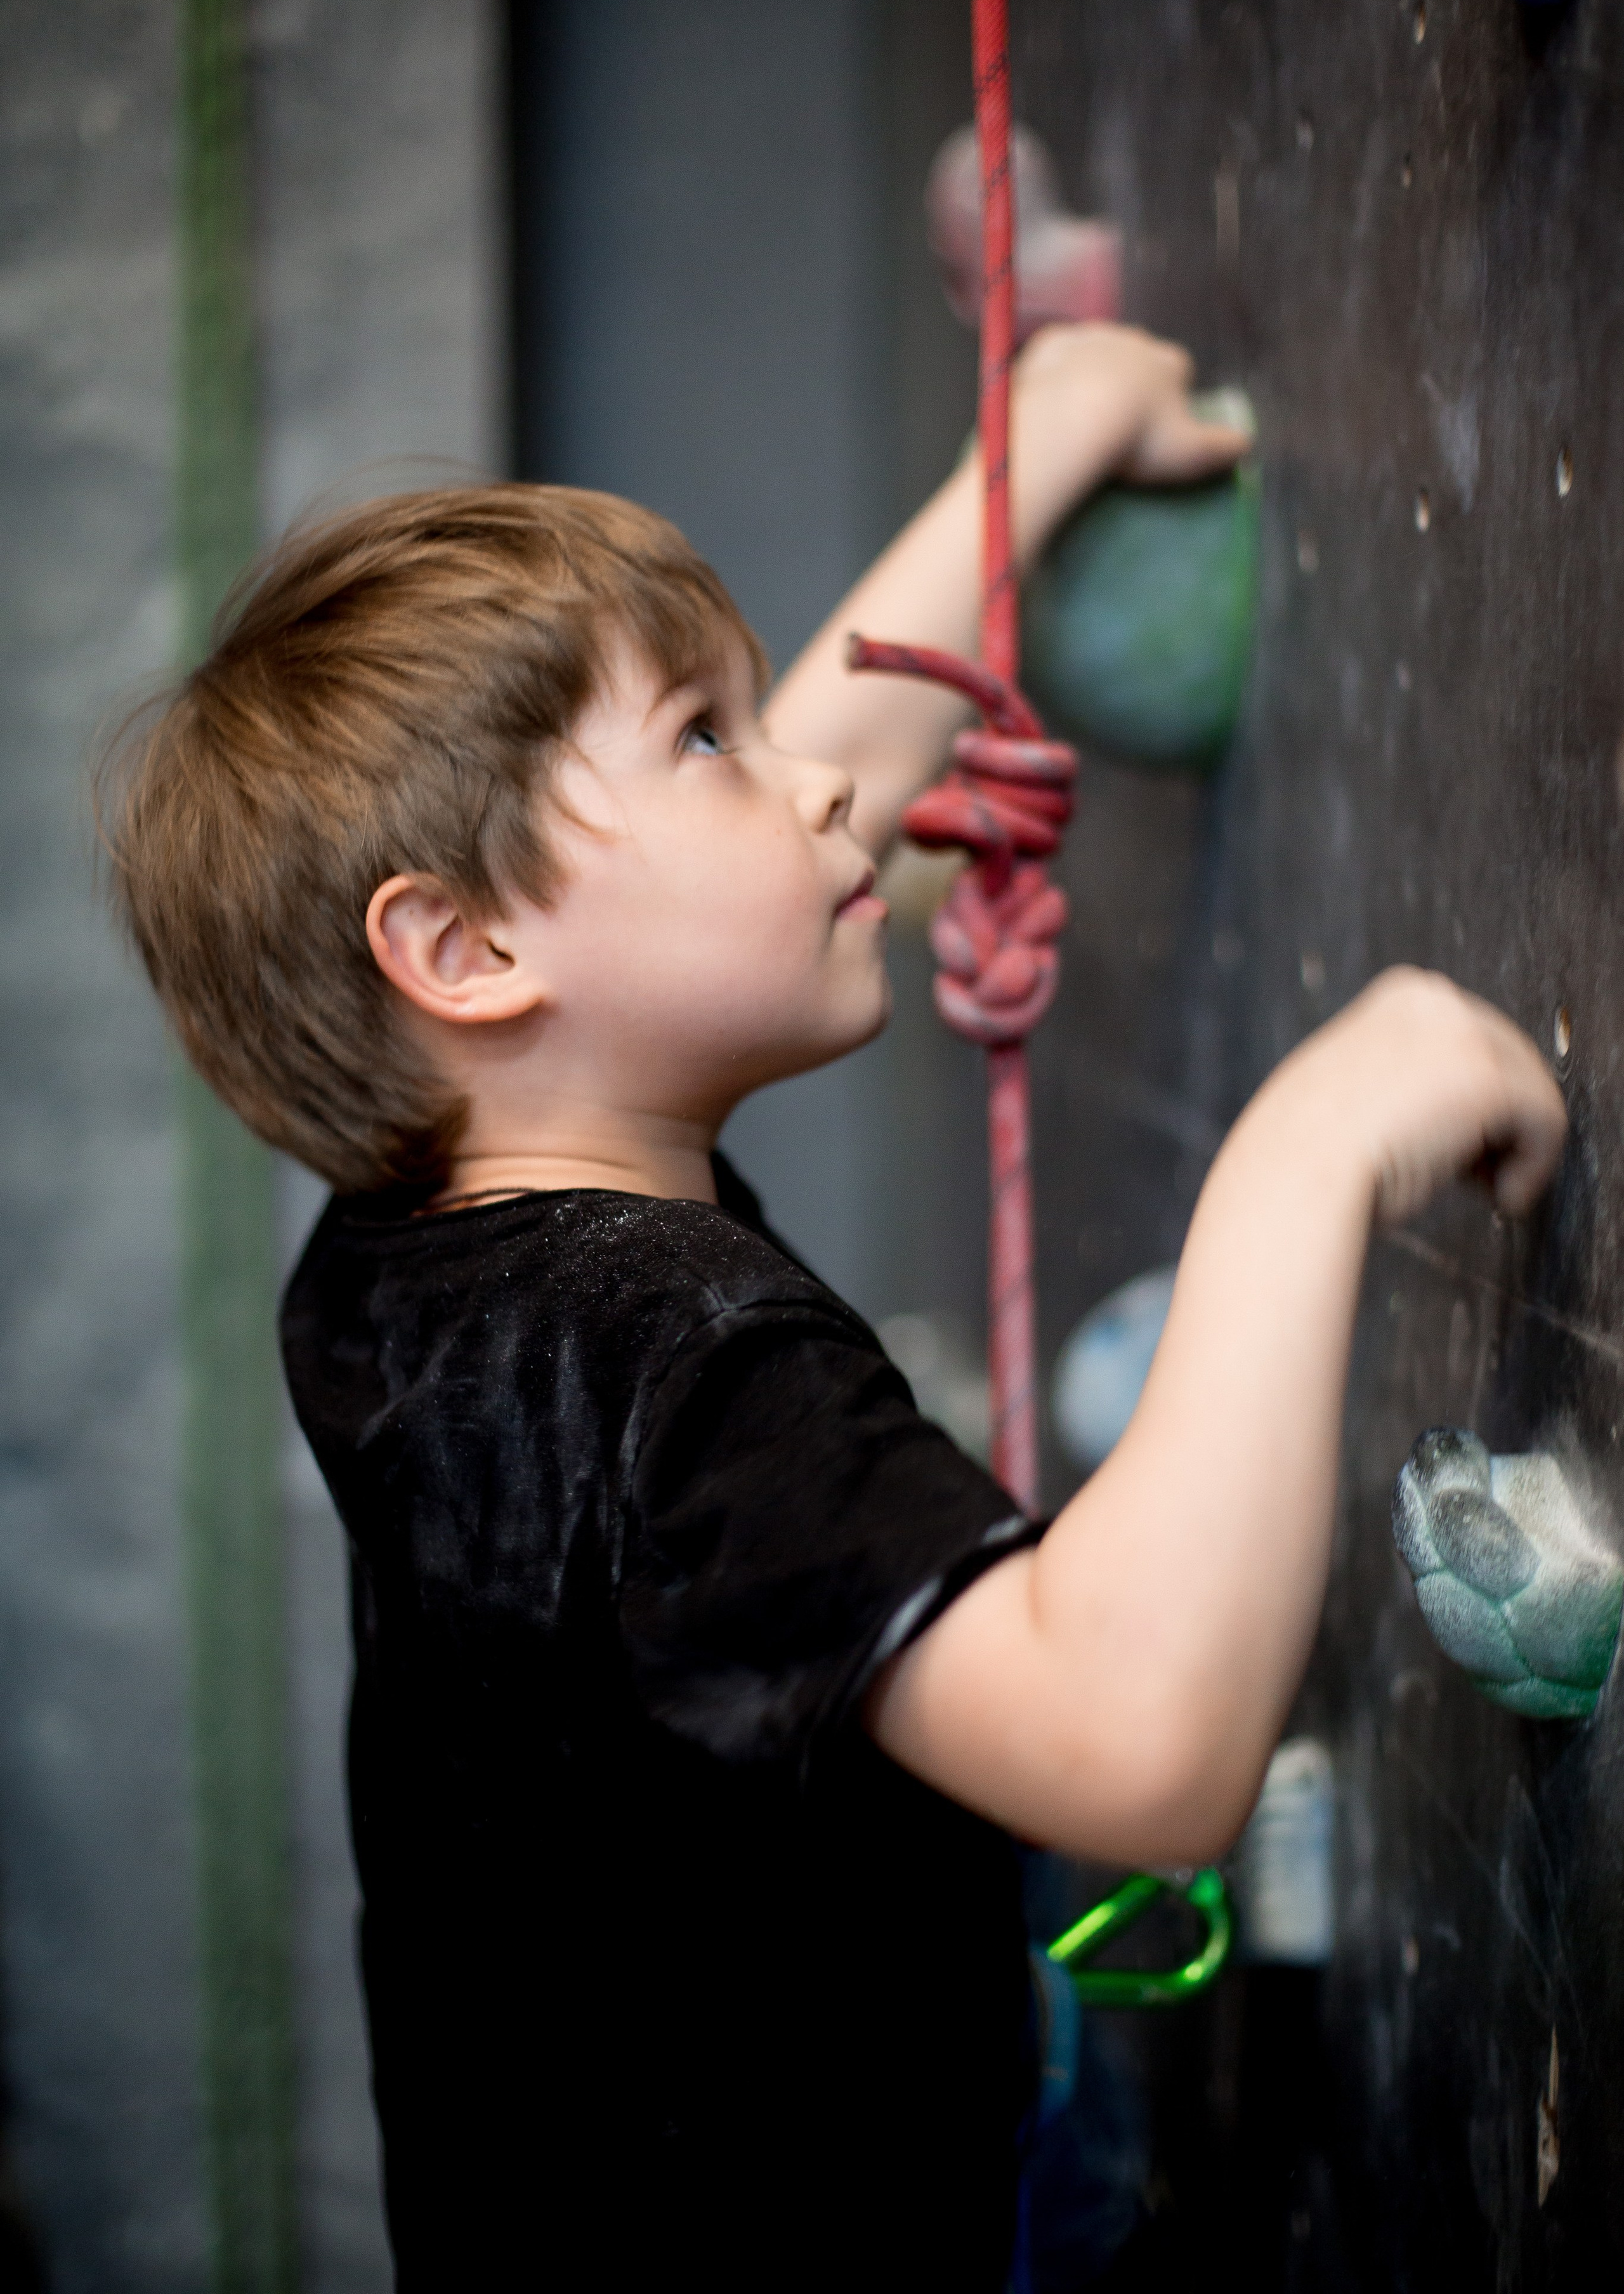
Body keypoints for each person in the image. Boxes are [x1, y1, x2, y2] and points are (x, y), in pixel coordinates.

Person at [98, 324, 1568, 2290]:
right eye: (709, 742)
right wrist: (1308, 1151)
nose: (812, 789)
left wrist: (1026, 456)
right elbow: (1140, 1742)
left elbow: (754, 830)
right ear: (461, 947)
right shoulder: (672, 1362)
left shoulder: (418, 1257)